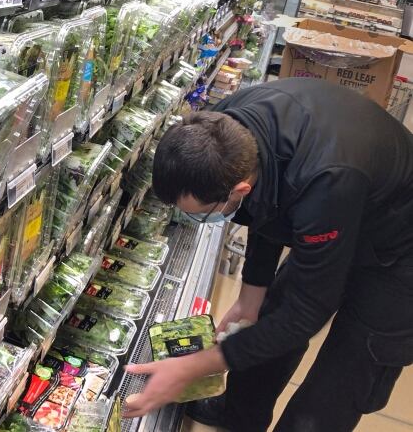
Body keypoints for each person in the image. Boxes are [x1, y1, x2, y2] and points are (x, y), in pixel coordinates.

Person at [123, 78, 413, 432]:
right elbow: (268, 203)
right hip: (348, 205)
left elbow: (307, 311)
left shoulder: (326, 182)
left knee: (339, 379)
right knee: (267, 318)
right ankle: (239, 417)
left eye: (202, 212)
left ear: (238, 188)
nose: (197, 219)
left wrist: (196, 364)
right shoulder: (225, 126)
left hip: (401, 250)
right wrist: (251, 295)